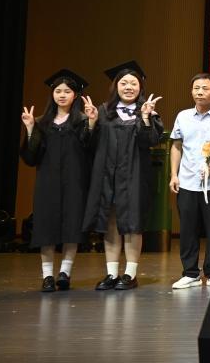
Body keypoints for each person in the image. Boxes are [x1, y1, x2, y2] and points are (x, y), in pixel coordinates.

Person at [83, 60, 164, 291]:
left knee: (132, 223)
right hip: (107, 174)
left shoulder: (147, 111)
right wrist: (91, 123)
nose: (129, 87)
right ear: (116, 86)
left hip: (135, 174)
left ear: (140, 87)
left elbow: (151, 141)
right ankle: (111, 273)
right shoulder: (102, 112)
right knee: (110, 221)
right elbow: (88, 145)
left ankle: (130, 273)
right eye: (124, 83)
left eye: (133, 83)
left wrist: (146, 118)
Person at [20, 69, 95, 292]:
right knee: (47, 226)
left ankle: (65, 272)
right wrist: (30, 129)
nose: (62, 95)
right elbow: (30, 158)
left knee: (72, 225)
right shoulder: (42, 123)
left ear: (75, 95)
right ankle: (47, 276)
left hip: (75, 181)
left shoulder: (82, 121)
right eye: (58, 91)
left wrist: (92, 123)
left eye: (67, 91)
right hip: (48, 182)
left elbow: (91, 148)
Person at [169, 73, 210, 290]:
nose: (200, 92)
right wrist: (174, 175)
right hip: (187, 182)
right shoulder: (183, 116)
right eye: (196, 88)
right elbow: (176, 146)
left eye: (205, 88)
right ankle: (190, 273)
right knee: (188, 229)